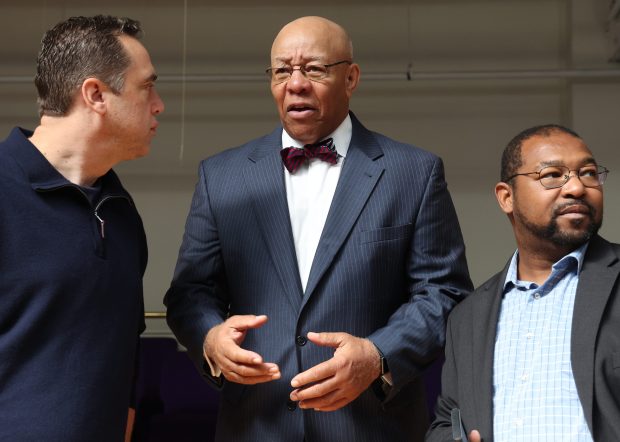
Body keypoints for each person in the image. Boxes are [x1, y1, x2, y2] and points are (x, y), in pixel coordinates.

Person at [165, 16, 471, 442]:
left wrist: (378, 354)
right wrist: (210, 339)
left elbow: (444, 292)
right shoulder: (222, 176)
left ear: (351, 77)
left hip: (372, 427)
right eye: (282, 71)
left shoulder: (413, 173)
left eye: (314, 69)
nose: (296, 83)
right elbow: (189, 293)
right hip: (256, 426)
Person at [0, 15, 164, 441]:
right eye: (147, 86)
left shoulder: (121, 212)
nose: (159, 103)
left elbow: (124, 349)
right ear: (95, 95)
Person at [426, 124, 619, 442]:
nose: (577, 188)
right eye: (552, 175)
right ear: (506, 197)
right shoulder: (468, 316)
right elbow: (447, 420)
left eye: (588, 173)